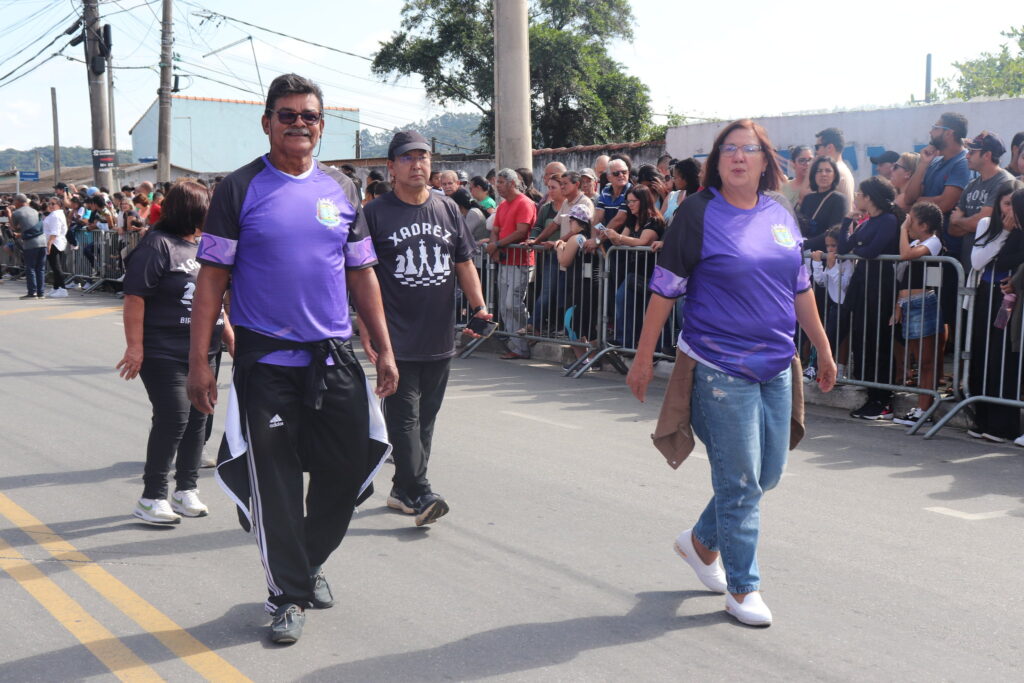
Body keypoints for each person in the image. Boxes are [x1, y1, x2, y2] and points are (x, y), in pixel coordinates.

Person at [185, 73, 397, 645]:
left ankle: (305, 561)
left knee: (350, 465)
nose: (299, 123)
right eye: (287, 115)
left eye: (309, 115)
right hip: (266, 363)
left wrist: (382, 346)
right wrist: (200, 360)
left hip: (333, 356)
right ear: (267, 123)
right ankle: (286, 595)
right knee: (276, 485)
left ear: (321, 125)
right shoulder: (238, 188)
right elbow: (212, 281)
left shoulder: (343, 188)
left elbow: (361, 272)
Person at [627, 119, 835, 628]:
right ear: (717, 162)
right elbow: (665, 289)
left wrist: (823, 349)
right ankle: (744, 588)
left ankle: (700, 542)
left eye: (750, 149)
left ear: (766, 161)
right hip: (720, 365)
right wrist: (643, 356)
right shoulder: (697, 213)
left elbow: (800, 286)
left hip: (777, 363)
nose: (739, 157)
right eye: (729, 150)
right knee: (740, 480)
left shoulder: (780, 211)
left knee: (767, 474)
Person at [360, 130, 489, 526]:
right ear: (391, 167)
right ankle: (421, 491)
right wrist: (365, 325)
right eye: (407, 158)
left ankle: (403, 490)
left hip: (438, 333)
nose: (417, 164)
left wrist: (480, 307)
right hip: (394, 336)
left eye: (423, 157)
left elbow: (463, 261)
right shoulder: (374, 214)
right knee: (404, 418)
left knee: (426, 418)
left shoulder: (447, 208)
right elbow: (360, 274)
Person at [118, 181, 232, 526]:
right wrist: (135, 347)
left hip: (205, 351)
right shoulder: (157, 245)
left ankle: (186, 490)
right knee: (174, 418)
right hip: (164, 351)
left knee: (200, 417)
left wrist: (230, 338)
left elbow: (217, 302)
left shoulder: (204, 246)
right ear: (191, 209)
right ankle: (152, 496)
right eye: (207, 207)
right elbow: (135, 298)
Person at [965, 182, 1024, 442]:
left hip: (1011, 301)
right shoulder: (987, 225)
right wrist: (1004, 233)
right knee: (981, 356)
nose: (1010, 211)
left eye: (1015, 205)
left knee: (1003, 359)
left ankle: (1004, 424)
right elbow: (978, 261)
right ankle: (983, 418)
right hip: (985, 296)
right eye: (1006, 204)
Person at [841, 176, 902, 420]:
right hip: (863, 284)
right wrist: (847, 221)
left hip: (881, 285)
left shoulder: (888, 220)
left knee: (878, 340)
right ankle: (871, 395)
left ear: (870, 197)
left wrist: (858, 248)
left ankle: (883, 398)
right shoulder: (866, 222)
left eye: (860, 194)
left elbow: (872, 250)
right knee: (862, 338)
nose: (857, 197)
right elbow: (844, 247)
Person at [891, 202, 946, 427]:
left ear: (924, 225)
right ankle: (921, 408)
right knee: (918, 360)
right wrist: (898, 306)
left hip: (925, 304)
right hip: (909, 304)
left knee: (926, 361)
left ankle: (924, 409)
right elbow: (902, 275)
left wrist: (902, 229)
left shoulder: (933, 241)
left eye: (911, 220)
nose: (908, 223)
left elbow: (906, 255)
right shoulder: (915, 242)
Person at [606, 185, 665, 348]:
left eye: (633, 201)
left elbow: (643, 241)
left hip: (649, 274)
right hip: (631, 272)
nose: (630, 205)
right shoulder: (632, 219)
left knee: (626, 300)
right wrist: (612, 236)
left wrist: (618, 237)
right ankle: (626, 342)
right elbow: (622, 239)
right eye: (628, 201)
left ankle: (626, 341)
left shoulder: (654, 220)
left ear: (643, 201)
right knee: (627, 304)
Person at [487, 168, 537, 360]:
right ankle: (518, 346)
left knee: (512, 303)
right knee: (504, 306)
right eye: (497, 182)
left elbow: (521, 231)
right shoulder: (503, 206)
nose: (497, 186)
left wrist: (497, 245)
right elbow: (495, 230)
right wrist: (495, 247)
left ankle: (528, 332)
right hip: (506, 260)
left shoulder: (524, 203)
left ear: (512, 183)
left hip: (520, 261)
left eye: (501, 182)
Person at [948, 132, 1016, 273]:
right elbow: (952, 229)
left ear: (987, 155)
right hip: (969, 268)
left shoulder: (1005, 183)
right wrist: (971, 223)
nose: (967, 156)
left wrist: (960, 220)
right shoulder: (971, 186)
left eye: (972, 152)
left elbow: (982, 222)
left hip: (994, 271)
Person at [807, 226, 853, 382]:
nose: (830, 249)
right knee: (827, 338)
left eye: (834, 245)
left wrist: (833, 268)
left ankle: (819, 369)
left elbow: (843, 286)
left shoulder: (848, 262)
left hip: (844, 306)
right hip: (833, 305)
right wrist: (817, 263)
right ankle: (818, 369)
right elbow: (821, 281)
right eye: (828, 246)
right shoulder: (832, 261)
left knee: (829, 340)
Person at [799, 157, 849, 251]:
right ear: (814, 174)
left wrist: (805, 244)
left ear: (834, 175)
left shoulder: (839, 199)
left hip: (825, 253)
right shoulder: (808, 198)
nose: (823, 174)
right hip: (805, 252)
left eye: (828, 171)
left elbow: (834, 231)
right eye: (819, 171)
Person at [10, 193, 46, 299]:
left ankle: (32, 292)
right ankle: (41, 293)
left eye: (14, 201)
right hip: (42, 241)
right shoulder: (35, 211)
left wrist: (9, 214)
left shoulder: (17, 213)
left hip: (31, 244)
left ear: (17, 202)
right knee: (40, 268)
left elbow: (14, 228)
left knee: (30, 268)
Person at [814, 127, 855, 204]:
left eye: (817, 147)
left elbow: (803, 196)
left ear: (829, 147)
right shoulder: (841, 168)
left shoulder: (834, 170)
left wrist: (810, 167)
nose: (816, 151)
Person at [43, 196, 69, 298]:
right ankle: (56, 287)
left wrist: (49, 243)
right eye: (49, 203)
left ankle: (62, 288)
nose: (50, 205)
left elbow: (55, 231)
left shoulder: (55, 215)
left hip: (54, 243)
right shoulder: (56, 214)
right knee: (55, 267)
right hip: (56, 242)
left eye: (53, 204)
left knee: (56, 267)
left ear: (59, 205)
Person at [596, 158, 632, 229]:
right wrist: (599, 233)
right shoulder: (605, 191)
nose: (621, 175)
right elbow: (597, 218)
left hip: (625, 234)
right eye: (616, 173)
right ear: (608, 177)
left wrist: (603, 235)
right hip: (607, 233)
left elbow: (619, 220)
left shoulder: (631, 192)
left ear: (628, 173)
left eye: (624, 172)